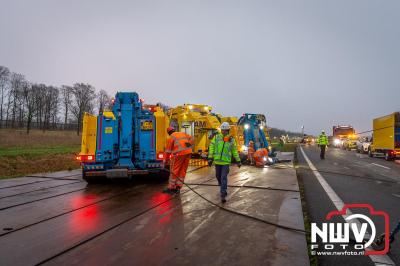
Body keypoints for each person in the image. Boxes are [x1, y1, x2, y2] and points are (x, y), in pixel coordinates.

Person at [208, 122, 241, 203]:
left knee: (223, 177)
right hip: (217, 161)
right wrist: (210, 158)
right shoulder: (216, 137)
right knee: (218, 176)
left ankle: (223, 194)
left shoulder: (231, 139)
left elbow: (234, 151)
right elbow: (211, 147)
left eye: (225, 130)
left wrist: (238, 160)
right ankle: (222, 185)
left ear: (228, 130)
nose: (223, 132)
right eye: (222, 130)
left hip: (226, 162)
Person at [163, 127, 193, 194]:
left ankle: (171, 187)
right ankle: (178, 186)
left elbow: (168, 151)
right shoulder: (183, 133)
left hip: (179, 154)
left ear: (169, 133)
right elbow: (192, 138)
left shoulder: (171, 137)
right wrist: (189, 144)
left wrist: (165, 160)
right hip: (188, 152)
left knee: (174, 170)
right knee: (183, 170)